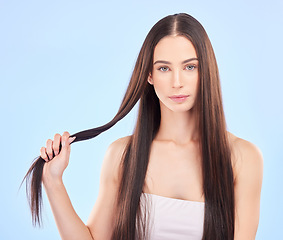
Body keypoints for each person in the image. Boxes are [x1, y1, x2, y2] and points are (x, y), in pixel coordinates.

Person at [24, 13, 263, 240]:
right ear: (149, 75)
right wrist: (53, 181)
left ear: (205, 71)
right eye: (164, 68)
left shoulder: (242, 157)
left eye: (190, 67)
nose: (177, 82)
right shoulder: (122, 155)